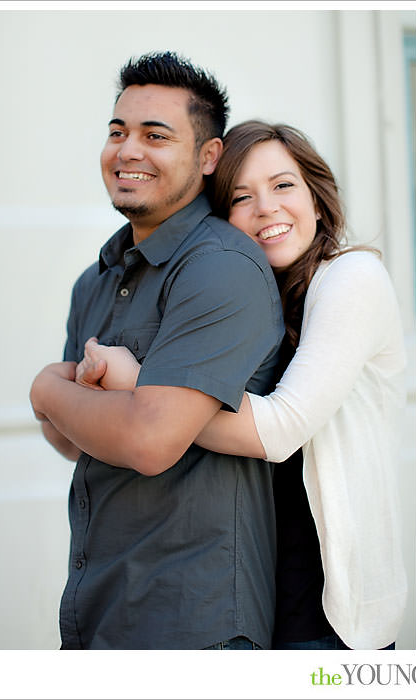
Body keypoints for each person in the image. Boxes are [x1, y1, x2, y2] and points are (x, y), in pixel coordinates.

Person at [77, 121, 408, 651]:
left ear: (316, 199)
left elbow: (280, 430)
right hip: (252, 592)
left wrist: (138, 384)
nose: (266, 208)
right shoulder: (247, 294)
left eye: (283, 186)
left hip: (328, 606)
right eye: (241, 197)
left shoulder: (352, 278)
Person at [28, 52, 284, 649]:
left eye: (155, 135)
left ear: (208, 156)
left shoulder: (219, 267)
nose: (127, 150)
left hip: (196, 619)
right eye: (117, 131)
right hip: (100, 610)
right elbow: (68, 439)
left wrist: (48, 388)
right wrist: (84, 408)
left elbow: (147, 441)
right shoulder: (97, 278)